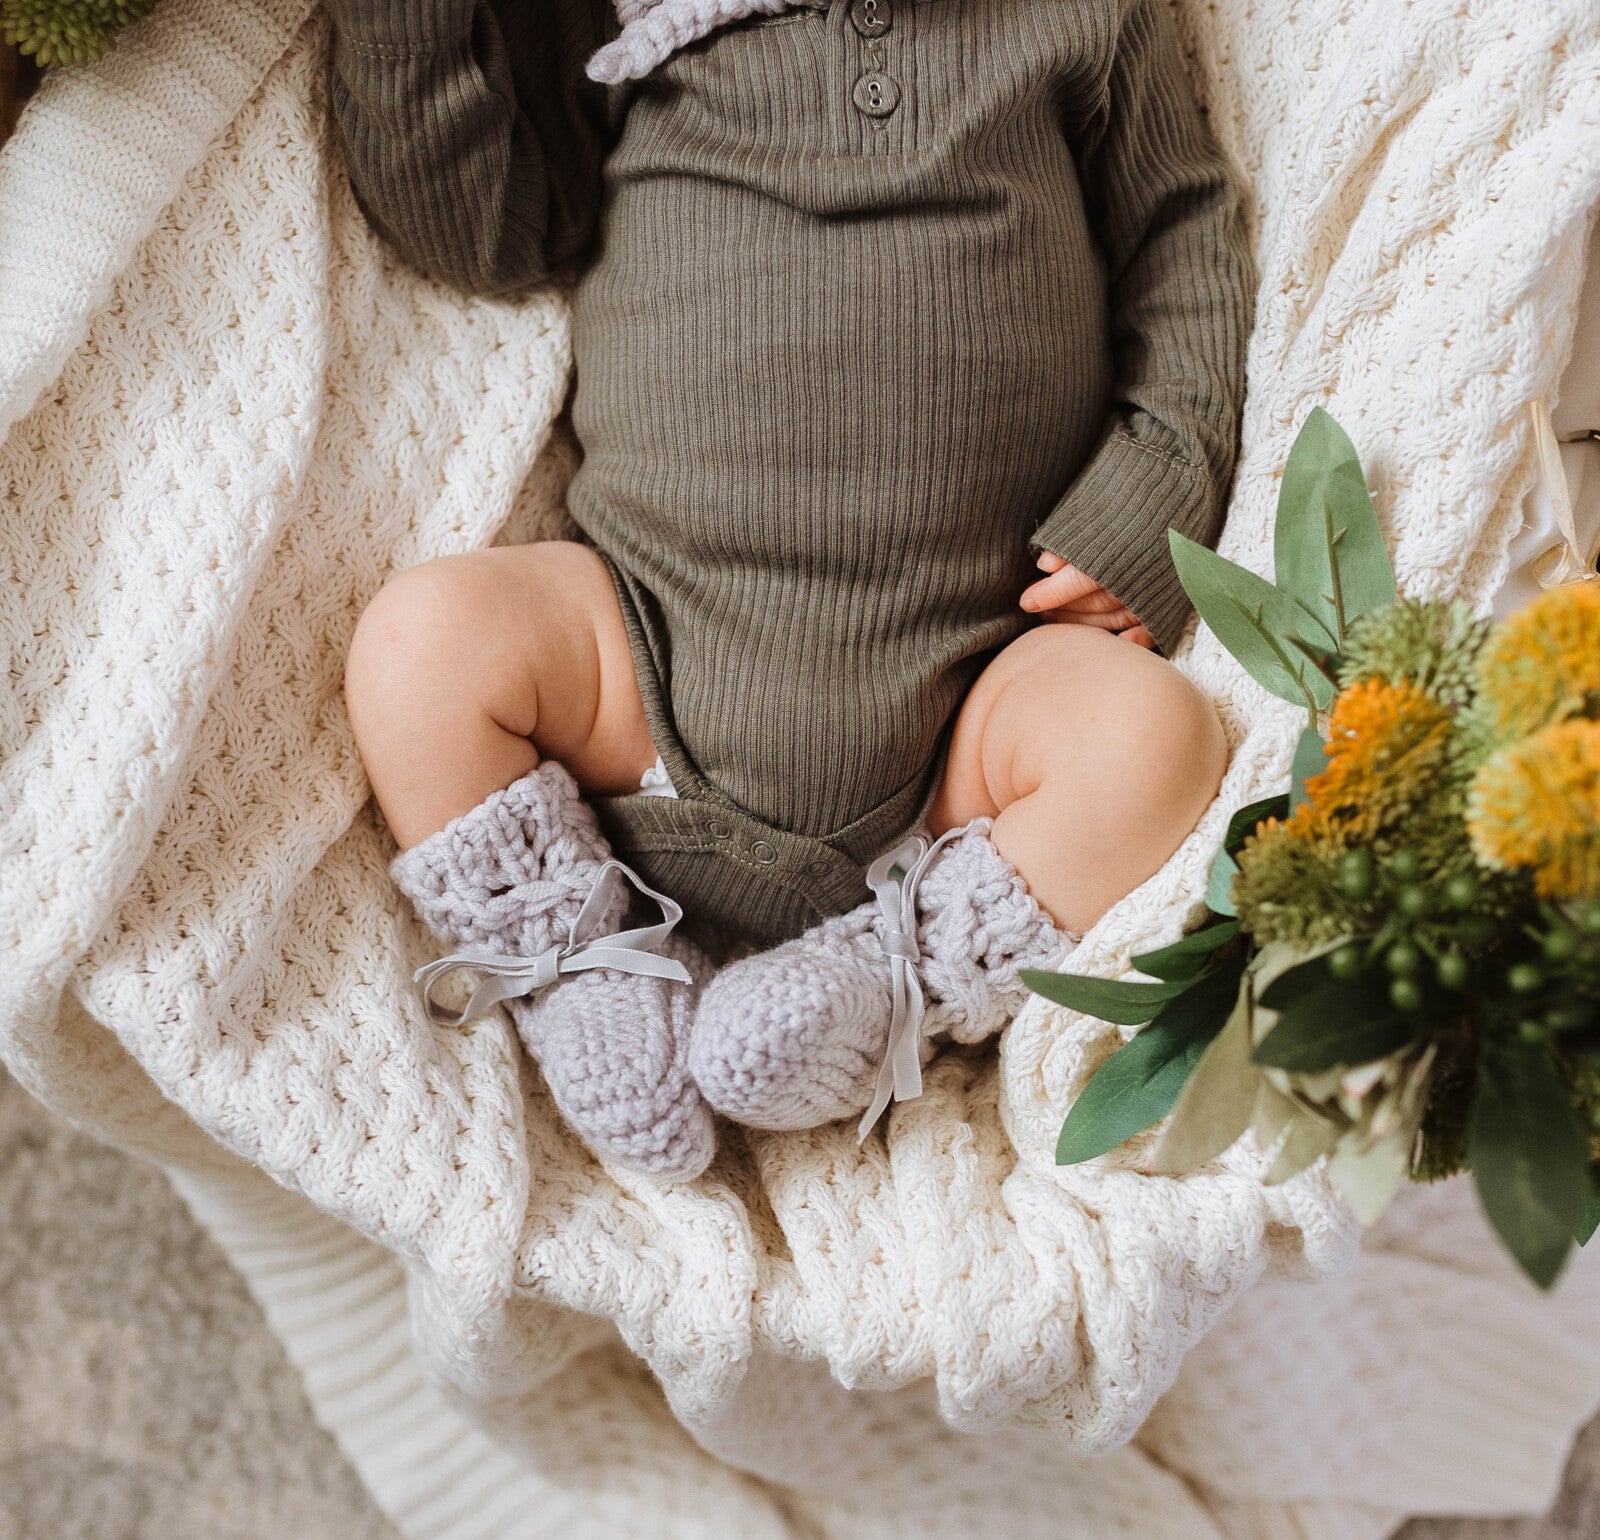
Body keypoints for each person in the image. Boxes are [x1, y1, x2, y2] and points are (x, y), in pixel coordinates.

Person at [335, 0, 1245, 1179]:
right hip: (639, 659)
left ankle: (893, 977)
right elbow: (486, 229)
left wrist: (1154, 487)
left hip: (966, 717)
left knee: (1152, 735)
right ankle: (580, 962)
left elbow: (1184, 238)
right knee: (420, 644)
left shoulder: (1083, 18)